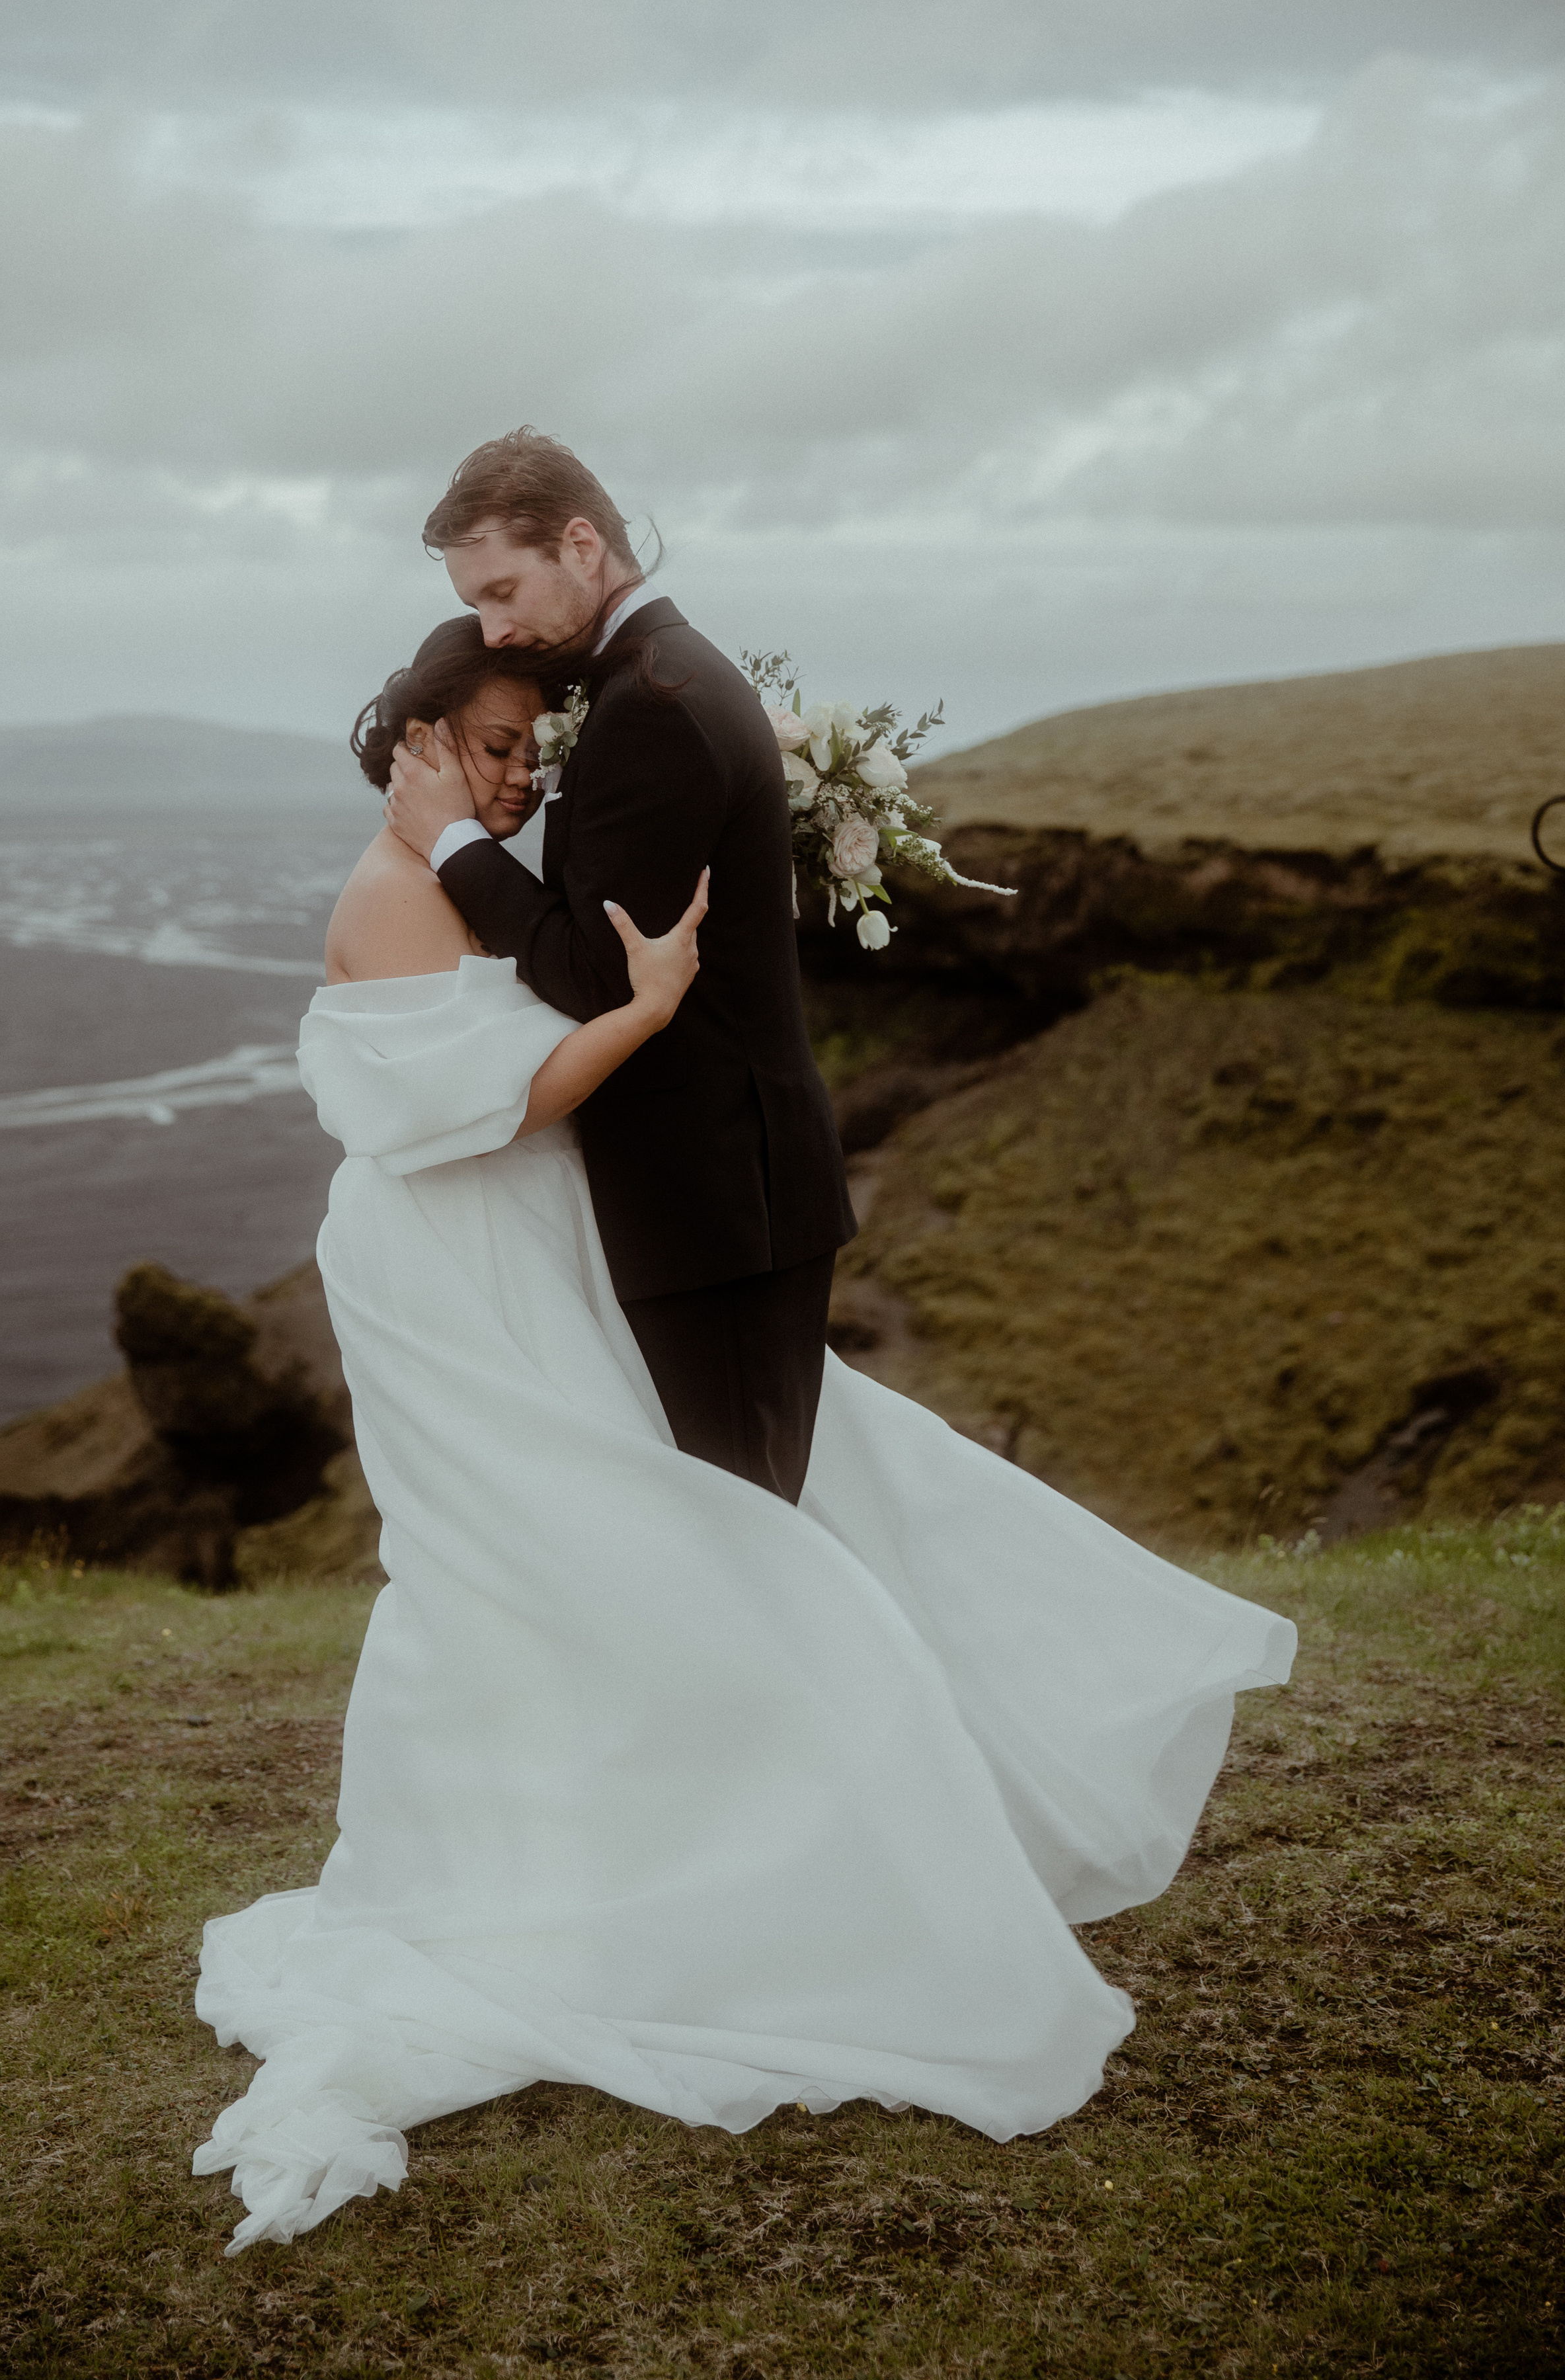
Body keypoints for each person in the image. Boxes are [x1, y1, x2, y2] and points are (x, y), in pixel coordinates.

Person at [191, 614, 1296, 2257]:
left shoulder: (464, 866)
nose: (510, 771)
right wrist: (641, 1011)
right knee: (526, 1560)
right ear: (412, 737)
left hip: (517, 1243)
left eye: (525, 747)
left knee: (610, 1542)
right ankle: (596, 1867)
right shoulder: (395, 890)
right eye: (484, 742)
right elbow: (495, 1098)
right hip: (455, 1271)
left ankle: (704, 1834)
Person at [381, 428, 853, 1506]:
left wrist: (452, 843)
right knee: (737, 1518)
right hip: (730, 1193)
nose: (492, 627)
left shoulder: (654, 706)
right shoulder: (661, 675)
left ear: (582, 545)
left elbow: (599, 976)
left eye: (503, 589)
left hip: (716, 1201)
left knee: (741, 1525)